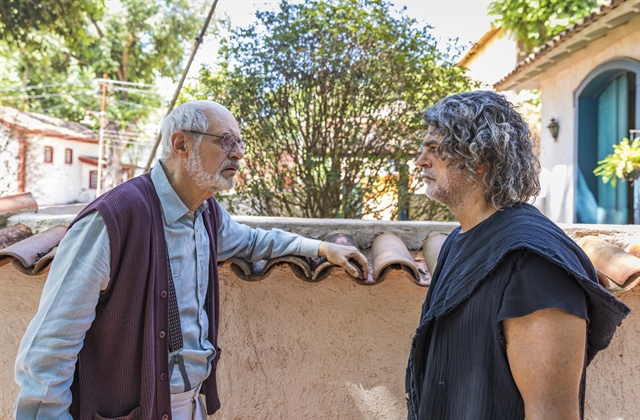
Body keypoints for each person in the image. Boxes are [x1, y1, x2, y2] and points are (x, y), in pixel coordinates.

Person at [15, 100, 369, 420]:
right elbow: (49, 351)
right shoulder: (112, 221)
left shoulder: (207, 214)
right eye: (226, 141)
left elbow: (253, 240)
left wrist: (321, 249)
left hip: (190, 405)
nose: (239, 154)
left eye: (239, 143)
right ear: (181, 144)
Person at [405, 91, 630, 420]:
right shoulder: (458, 241)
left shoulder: (533, 264)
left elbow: (551, 413)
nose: (421, 161)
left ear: (481, 160)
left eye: (436, 150)